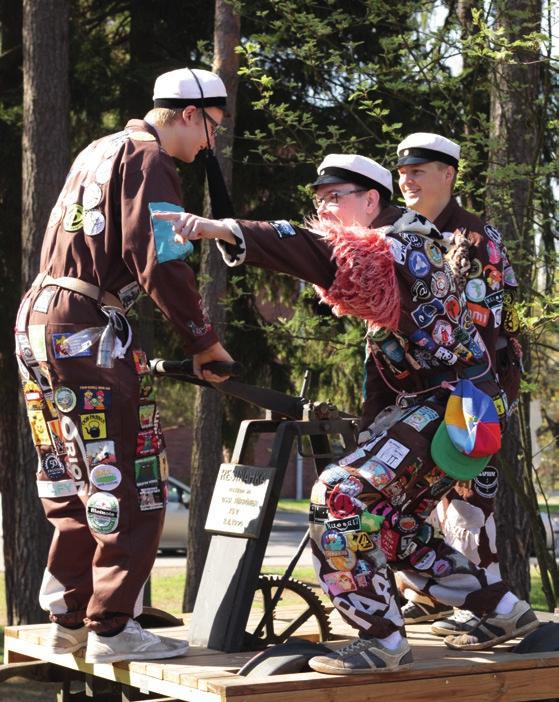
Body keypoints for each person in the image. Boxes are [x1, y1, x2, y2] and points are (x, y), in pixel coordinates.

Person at [156, 153, 537, 673]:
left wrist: (222, 228)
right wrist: (370, 432)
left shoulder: (399, 247)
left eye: (336, 198)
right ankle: (501, 610)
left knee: (341, 494)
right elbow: (382, 371)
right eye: (319, 200)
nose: (325, 209)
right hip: (456, 412)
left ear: (371, 200)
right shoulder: (400, 249)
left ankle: (380, 642)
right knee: (390, 524)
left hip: (451, 407)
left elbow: (312, 250)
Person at [14, 66, 234, 664]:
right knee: (130, 474)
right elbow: (161, 259)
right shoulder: (149, 158)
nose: (209, 145)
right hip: (87, 328)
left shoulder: (99, 149)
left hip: (40, 322)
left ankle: (70, 618)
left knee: (70, 475)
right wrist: (202, 340)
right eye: (212, 129)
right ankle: (113, 628)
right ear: (190, 114)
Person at [394, 133, 522, 637]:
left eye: (419, 170)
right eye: (402, 171)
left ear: (448, 174)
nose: (406, 179)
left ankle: (489, 609)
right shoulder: (404, 231)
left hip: (470, 396)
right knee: (415, 499)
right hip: (420, 395)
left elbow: (495, 323)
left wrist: (496, 395)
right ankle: (427, 593)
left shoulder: (474, 240)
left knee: (469, 502)